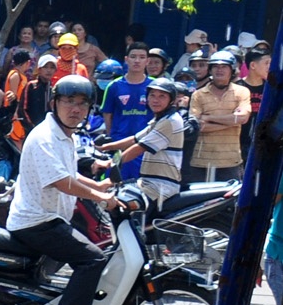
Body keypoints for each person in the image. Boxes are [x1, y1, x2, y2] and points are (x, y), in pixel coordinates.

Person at [5, 73, 114, 305]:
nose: (75, 109)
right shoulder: (45, 137)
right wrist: (99, 196)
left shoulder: (64, 136)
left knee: (44, 279)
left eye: (82, 103)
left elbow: (71, 174)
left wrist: (101, 185)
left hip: (49, 218)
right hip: (37, 222)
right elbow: (61, 182)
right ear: (55, 103)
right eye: (69, 101)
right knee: (92, 260)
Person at [99, 77, 189, 207]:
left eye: (162, 96)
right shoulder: (159, 120)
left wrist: (110, 163)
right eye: (152, 95)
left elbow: (139, 147)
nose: (155, 100)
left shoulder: (170, 121)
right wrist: (105, 147)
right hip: (148, 182)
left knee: (120, 205)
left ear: (171, 100)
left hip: (160, 186)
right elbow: (135, 138)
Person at [190, 52, 250, 180]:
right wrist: (232, 121)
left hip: (230, 160)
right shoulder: (198, 95)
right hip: (201, 160)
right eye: (216, 66)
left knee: (230, 199)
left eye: (224, 66)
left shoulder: (241, 92)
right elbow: (197, 125)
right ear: (210, 69)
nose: (219, 69)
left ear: (232, 70)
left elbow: (242, 118)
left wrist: (208, 118)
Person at [100, 42, 154, 179]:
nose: (137, 61)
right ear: (126, 59)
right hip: (119, 145)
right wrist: (112, 138)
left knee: (141, 187)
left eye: (142, 57)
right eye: (133, 56)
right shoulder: (114, 86)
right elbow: (108, 115)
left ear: (147, 61)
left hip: (145, 146)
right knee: (114, 184)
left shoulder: (155, 86)